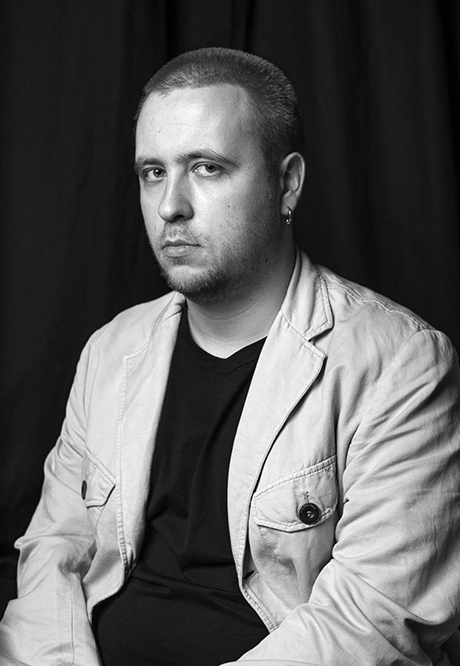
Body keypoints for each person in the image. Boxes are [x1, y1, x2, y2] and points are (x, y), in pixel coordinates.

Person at [0, 47, 459, 666]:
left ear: (287, 184)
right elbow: (54, 550)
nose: (170, 206)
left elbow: (371, 620)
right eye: (153, 172)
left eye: (207, 168)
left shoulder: (402, 365)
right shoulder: (111, 350)